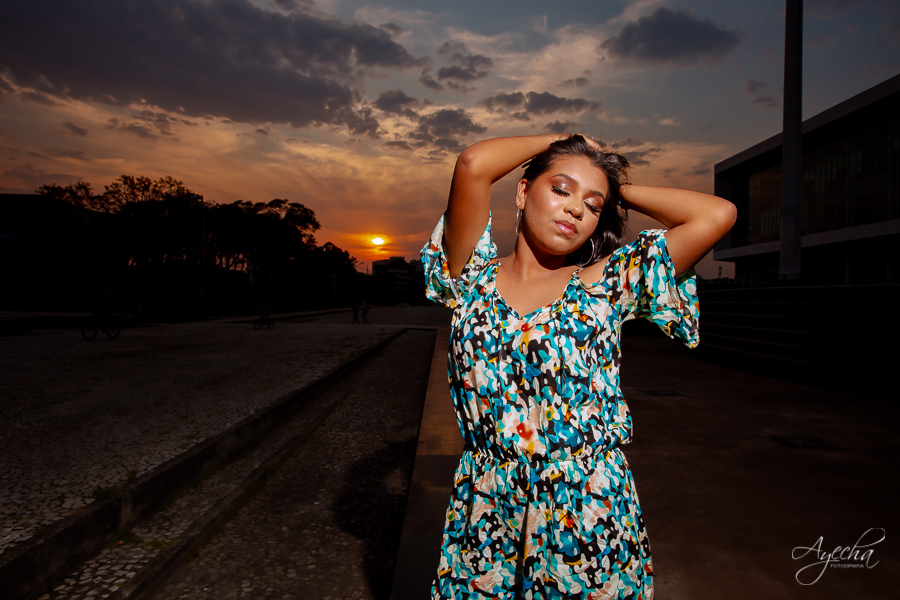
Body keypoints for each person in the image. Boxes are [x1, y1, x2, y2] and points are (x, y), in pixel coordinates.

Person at [420, 134, 735, 598]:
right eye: (561, 189)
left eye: (592, 206)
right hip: (486, 505)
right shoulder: (472, 276)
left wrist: (613, 186)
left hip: (587, 507)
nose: (574, 210)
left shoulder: (607, 284)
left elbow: (717, 214)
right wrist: (563, 142)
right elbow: (472, 163)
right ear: (523, 191)